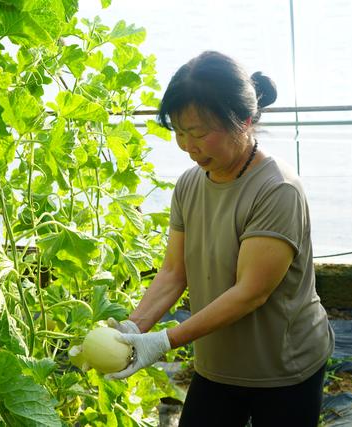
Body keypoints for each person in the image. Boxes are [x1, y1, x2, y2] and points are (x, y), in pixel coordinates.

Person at [105, 51, 335, 426]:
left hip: (283, 367)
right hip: (217, 365)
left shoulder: (277, 190)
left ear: (243, 121)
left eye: (198, 133)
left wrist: (164, 341)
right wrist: (134, 328)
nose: (188, 146)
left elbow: (250, 292)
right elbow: (173, 273)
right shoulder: (190, 184)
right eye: (179, 133)